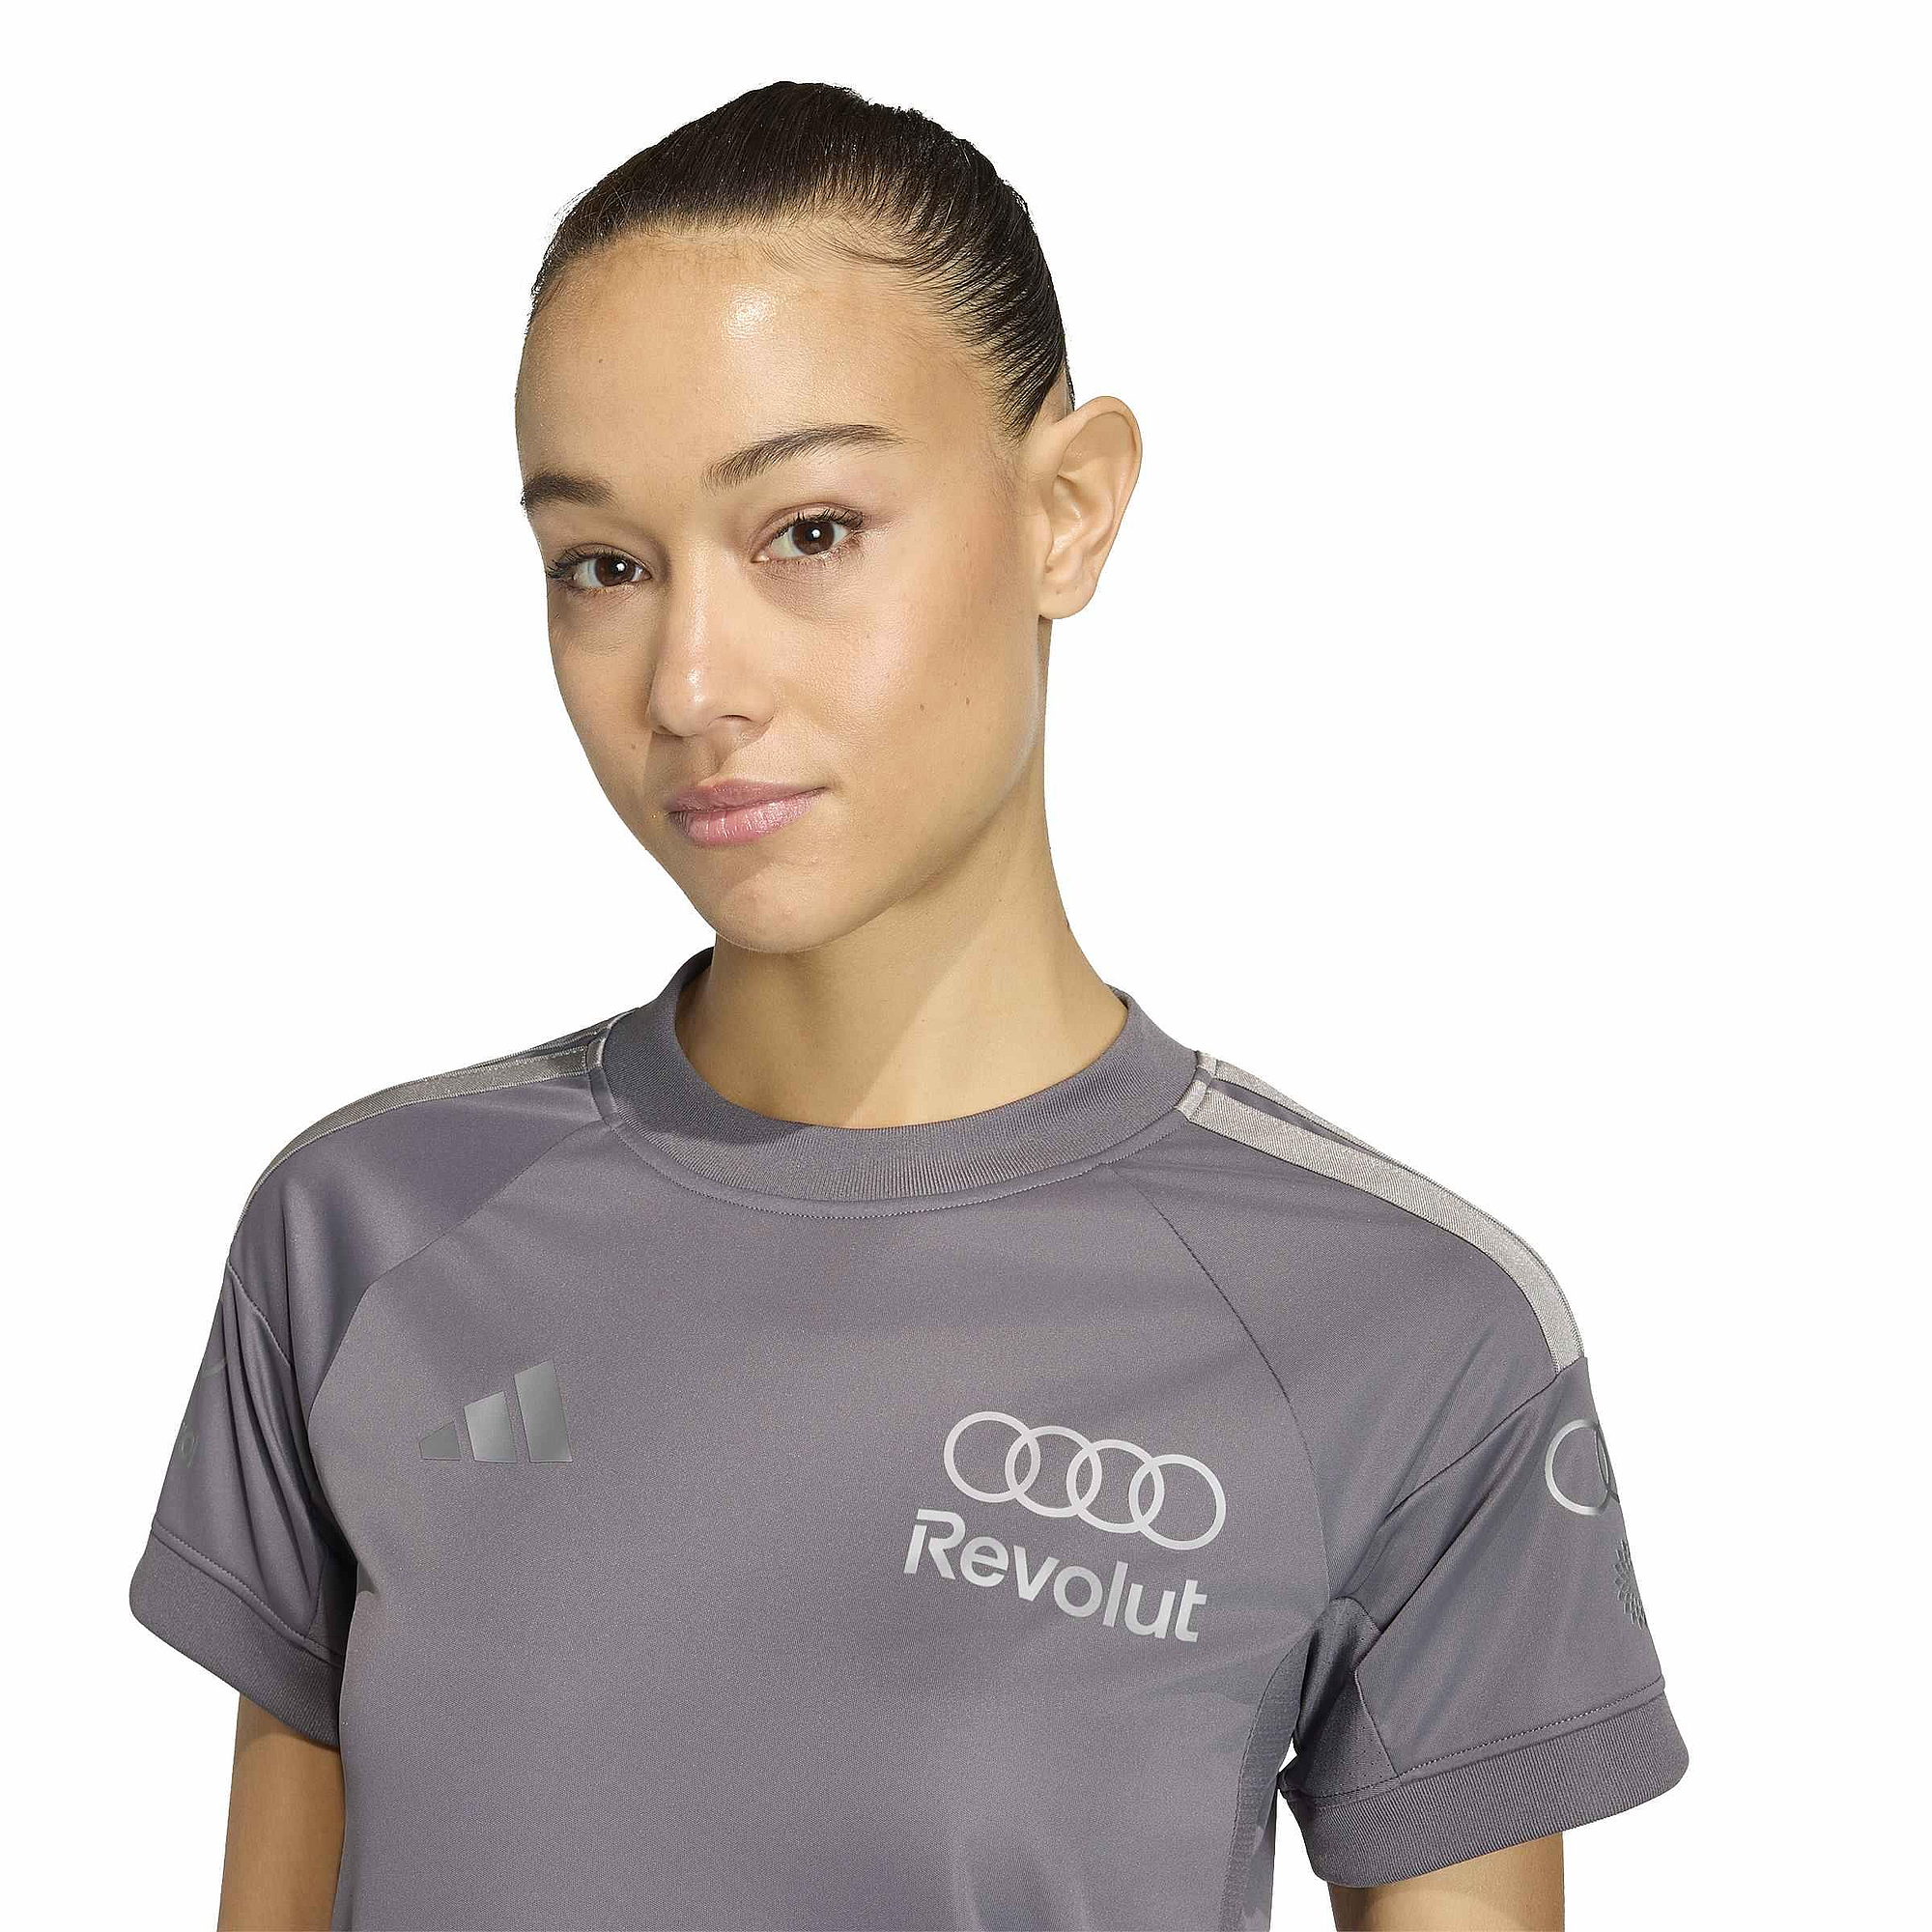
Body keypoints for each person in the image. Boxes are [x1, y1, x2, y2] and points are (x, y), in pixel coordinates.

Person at [128, 78, 1689, 1932]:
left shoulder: (1402, 1330)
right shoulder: (366, 1235)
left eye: (807, 531)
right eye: (603, 566)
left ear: (1069, 510)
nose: (689, 684)